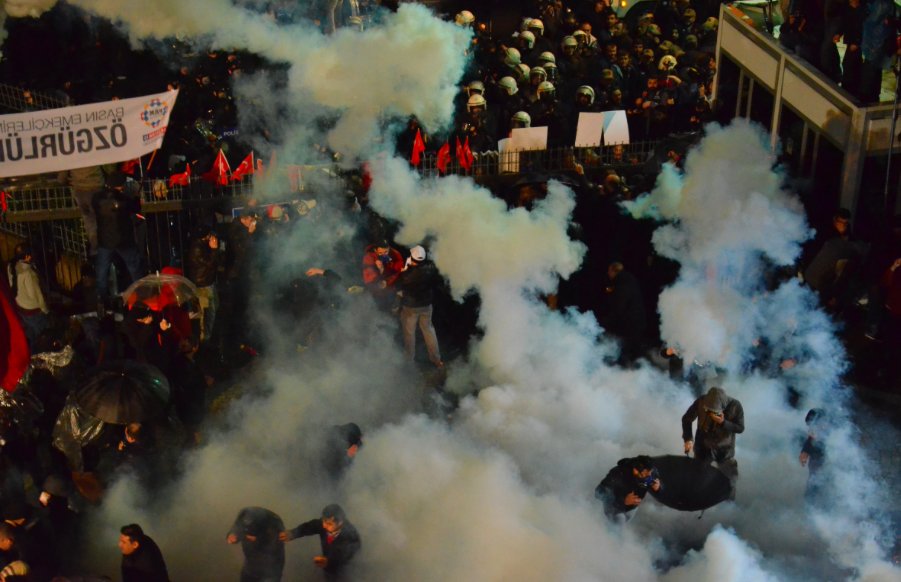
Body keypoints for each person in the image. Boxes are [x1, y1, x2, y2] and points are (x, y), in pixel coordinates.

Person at [682, 386, 745, 499]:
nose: (710, 413)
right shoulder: (701, 400)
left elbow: (740, 428)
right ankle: (698, 501)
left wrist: (723, 422)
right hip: (703, 447)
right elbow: (686, 419)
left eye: (714, 411)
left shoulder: (735, 406)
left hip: (724, 448)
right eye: (708, 410)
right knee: (698, 477)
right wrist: (688, 439)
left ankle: (727, 507)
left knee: (729, 480)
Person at [92, 171, 144, 307]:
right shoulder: (124, 200)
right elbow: (136, 208)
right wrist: (136, 197)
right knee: (134, 268)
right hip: (124, 240)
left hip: (105, 241)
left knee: (102, 271)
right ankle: (140, 294)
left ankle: (101, 299)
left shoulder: (97, 199)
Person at [280, 504, 361, 579]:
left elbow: (344, 555)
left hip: (346, 573)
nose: (324, 525)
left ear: (340, 522)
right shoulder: (324, 524)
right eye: (323, 521)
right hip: (327, 570)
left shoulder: (351, 536)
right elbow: (308, 527)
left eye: (329, 523)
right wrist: (292, 534)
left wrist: (329, 561)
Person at [395, 245, 444, 368]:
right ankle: (436, 359)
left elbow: (401, 282)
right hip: (426, 305)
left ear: (413, 258)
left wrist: (406, 267)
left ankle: (409, 360)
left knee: (409, 333)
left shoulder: (409, 275)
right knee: (428, 330)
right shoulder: (430, 268)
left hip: (411, 307)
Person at [6, 244, 50, 348]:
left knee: (30, 339)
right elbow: (35, 295)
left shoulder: (11, 267)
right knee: (43, 339)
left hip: (20, 307)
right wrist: (45, 309)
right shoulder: (28, 272)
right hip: (33, 310)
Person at [185, 225, 223, 343]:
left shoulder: (202, 245)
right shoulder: (197, 248)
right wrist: (214, 249)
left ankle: (209, 338)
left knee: (214, 309)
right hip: (203, 286)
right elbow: (209, 263)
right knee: (207, 315)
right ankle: (205, 342)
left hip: (209, 283)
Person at [594, 455, 661, 522]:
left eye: (650, 473)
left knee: (625, 520)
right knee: (619, 520)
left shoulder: (651, 474)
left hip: (632, 509)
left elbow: (656, 480)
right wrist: (623, 501)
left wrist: (658, 488)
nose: (648, 478)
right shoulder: (618, 474)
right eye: (645, 474)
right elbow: (598, 493)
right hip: (614, 507)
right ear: (635, 470)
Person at [227, 507, 286, 582]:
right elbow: (236, 529)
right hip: (249, 567)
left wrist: (258, 540)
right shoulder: (244, 515)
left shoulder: (273, 522)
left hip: (270, 570)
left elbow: (276, 542)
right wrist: (232, 535)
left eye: (251, 534)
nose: (248, 535)